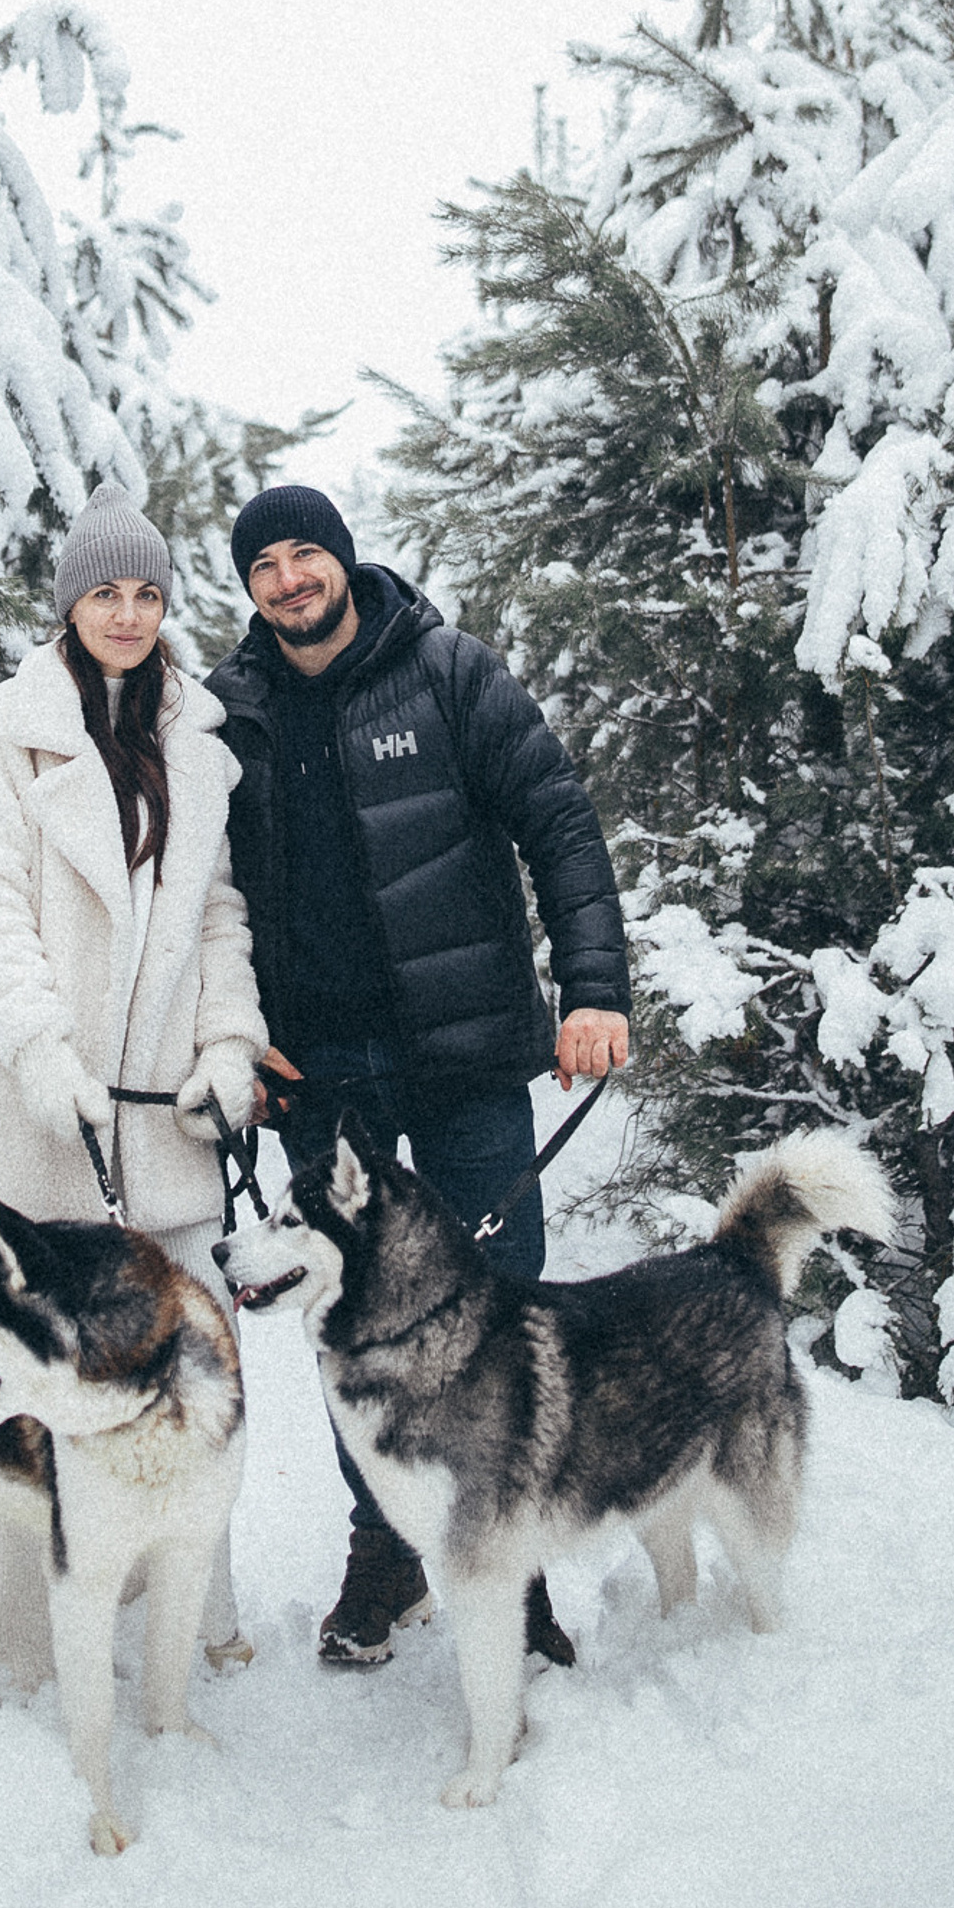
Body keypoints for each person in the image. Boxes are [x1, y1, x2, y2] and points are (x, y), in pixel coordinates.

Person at [205, 483, 631, 1670]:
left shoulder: (448, 671)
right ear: (247, 588)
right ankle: (390, 1553)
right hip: (319, 1080)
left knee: (503, 1308)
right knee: (352, 1323)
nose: (290, 579)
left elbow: (559, 820)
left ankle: (520, 1559)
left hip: (466, 1055)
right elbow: (197, 897)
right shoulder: (229, 713)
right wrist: (228, 1037)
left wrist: (594, 986)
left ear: (342, 559)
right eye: (265, 565)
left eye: (306, 554)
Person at [0, 481, 267, 1682]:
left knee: (183, 1373)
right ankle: (30, 1651)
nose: (127, 612)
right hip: (34, 1108)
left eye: (147, 592)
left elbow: (219, 918)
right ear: (68, 604)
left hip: (159, 1123)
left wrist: (227, 1050)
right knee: (34, 1385)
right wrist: (44, 1055)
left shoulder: (199, 745)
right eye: (105, 592)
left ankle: (192, 1620)